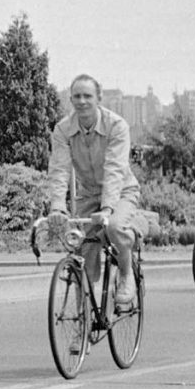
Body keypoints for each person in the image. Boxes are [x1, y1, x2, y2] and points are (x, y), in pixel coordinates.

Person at [43, 75, 147, 306]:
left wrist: (108, 209)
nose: (82, 101)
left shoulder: (116, 126)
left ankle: (126, 272)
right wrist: (58, 206)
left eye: (87, 96)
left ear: (99, 98)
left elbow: (114, 168)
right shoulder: (62, 130)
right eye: (77, 96)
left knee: (116, 227)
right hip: (89, 194)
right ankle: (83, 322)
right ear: (71, 99)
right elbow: (59, 169)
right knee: (82, 251)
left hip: (121, 192)